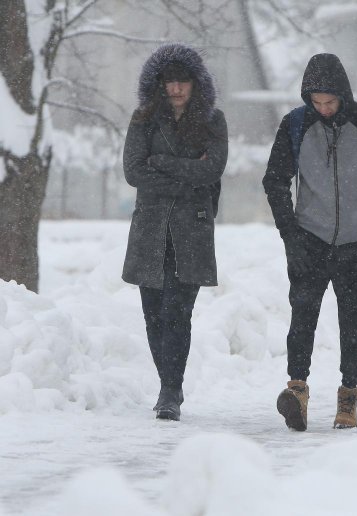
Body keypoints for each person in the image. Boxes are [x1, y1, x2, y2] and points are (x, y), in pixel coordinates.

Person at [263, 53, 357, 431]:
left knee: (353, 321)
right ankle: (297, 390)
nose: (323, 109)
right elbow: (275, 179)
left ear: (344, 95)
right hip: (309, 239)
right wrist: (289, 229)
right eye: (316, 102)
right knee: (302, 315)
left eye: (330, 101)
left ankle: (348, 397)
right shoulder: (295, 124)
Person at [122, 43, 228, 421]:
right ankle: (168, 381)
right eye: (170, 82)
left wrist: (161, 163)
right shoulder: (143, 119)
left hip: (192, 229)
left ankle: (171, 391)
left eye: (183, 81)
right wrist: (186, 172)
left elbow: (212, 170)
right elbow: (134, 171)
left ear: (196, 83)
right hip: (151, 227)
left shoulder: (213, 121)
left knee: (177, 312)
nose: (177, 89)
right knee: (153, 314)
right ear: (158, 84)